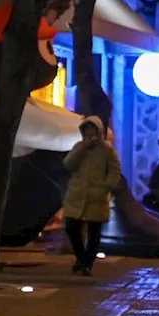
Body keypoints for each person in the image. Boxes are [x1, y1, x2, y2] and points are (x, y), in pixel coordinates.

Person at [62, 116, 122, 276]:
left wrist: (106, 186)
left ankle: (87, 262)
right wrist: (82, 148)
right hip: (77, 193)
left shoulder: (107, 150)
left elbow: (115, 170)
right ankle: (81, 258)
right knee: (71, 227)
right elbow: (68, 164)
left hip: (97, 196)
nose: (89, 132)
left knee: (94, 233)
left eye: (92, 129)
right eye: (86, 129)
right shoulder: (78, 146)